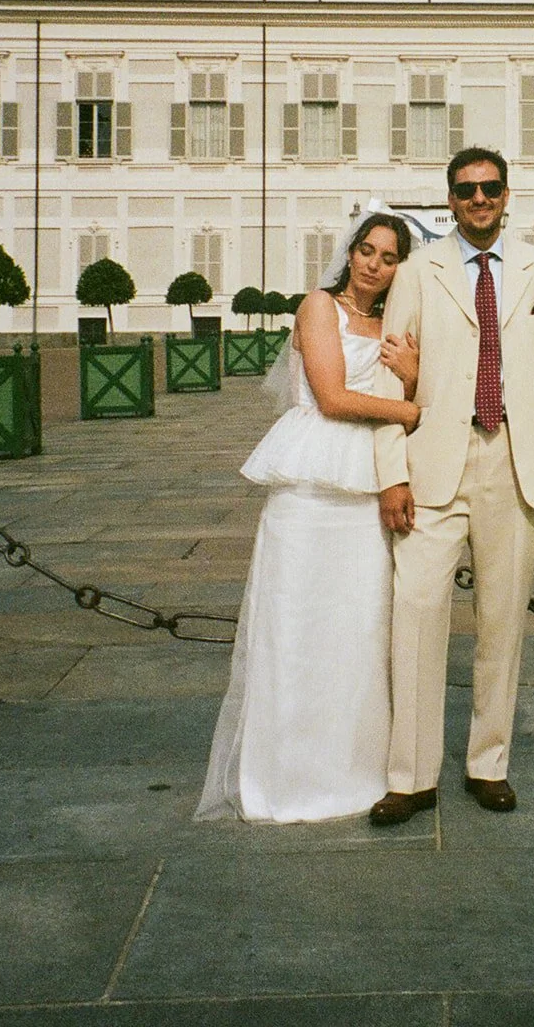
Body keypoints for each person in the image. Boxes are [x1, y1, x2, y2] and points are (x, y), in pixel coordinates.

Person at [369, 148, 534, 824]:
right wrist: (390, 474)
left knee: (501, 623)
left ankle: (486, 763)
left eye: (489, 187)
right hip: (433, 461)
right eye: (465, 190)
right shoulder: (416, 272)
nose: (478, 199)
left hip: (516, 463)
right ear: (449, 200)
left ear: (505, 194)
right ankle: (410, 777)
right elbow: (389, 376)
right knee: (414, 615)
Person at [195, 212, 420, 824]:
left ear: (402, 265)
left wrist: (413, 373)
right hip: (312, 481)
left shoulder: (395, 323)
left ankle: (358, 768)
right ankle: (287, 776)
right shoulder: (319, 306)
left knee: (360, 630)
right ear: (350, 254)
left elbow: (406, 382)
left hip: (367, 480)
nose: (375, 264)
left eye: (390, 256)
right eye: (367, 251)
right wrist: (413, 407)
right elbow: (332, 396)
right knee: (296, 624)